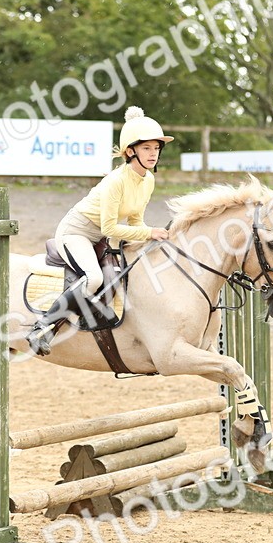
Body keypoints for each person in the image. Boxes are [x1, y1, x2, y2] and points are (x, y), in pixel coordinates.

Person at [26, 106, 172, 356]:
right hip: (76, 232)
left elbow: (136, 221)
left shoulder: (148, 180)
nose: (153, 154)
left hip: (100, 236)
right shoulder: (116, 181)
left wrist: (149, 238)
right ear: (130, 151)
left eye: (156, 148)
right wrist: (150, 233)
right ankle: (42, 328)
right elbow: (110, 227)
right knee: (93, 278)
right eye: (146, 148)